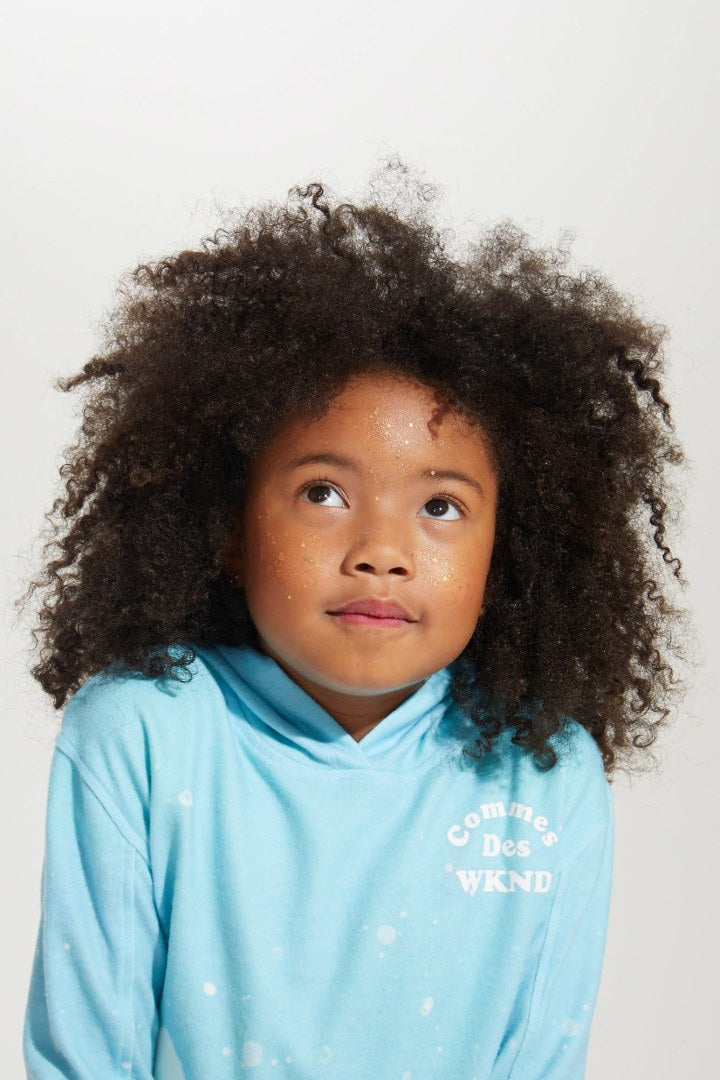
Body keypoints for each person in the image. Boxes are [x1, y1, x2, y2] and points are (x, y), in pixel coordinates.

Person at [19, 162, 690, 1079]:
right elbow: (86, 1059)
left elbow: (542, 1058)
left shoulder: (545, 775)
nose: (382, 551)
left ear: (508, 551)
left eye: (441, 507)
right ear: (228, 527)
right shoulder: (143, 735)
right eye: (324, 492)